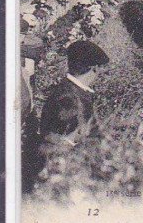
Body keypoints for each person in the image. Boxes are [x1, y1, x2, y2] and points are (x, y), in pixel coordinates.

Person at [30, 41, 110, 189]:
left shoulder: (68, 90)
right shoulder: (71, 98)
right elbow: (66, 144)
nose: (102, 75)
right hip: (64, 179)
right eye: (103, 70)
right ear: (94, 68)